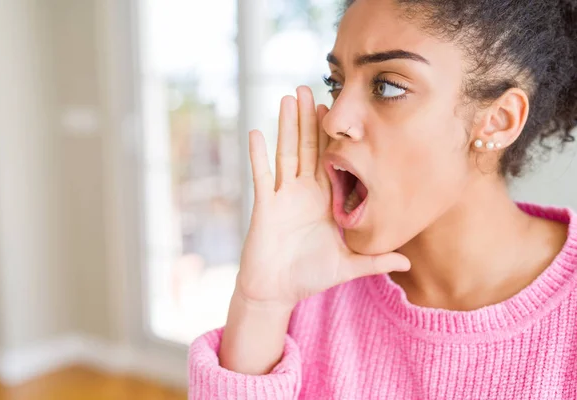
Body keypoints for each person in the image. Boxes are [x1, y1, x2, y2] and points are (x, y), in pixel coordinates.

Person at [188, 0, 577, 398]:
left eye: (388, 86)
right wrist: (262, 304)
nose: (334, 118)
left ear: (499, 120)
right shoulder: (309, 280)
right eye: (336, 83)